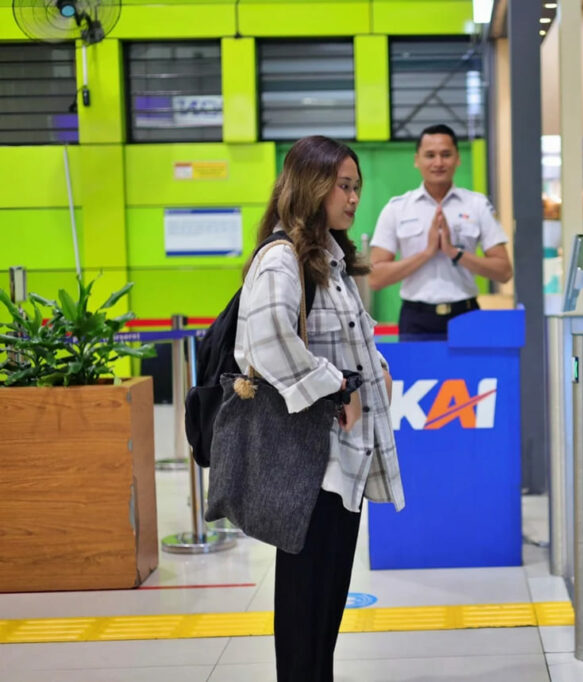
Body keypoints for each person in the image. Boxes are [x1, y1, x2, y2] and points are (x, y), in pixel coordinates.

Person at [235, 135, 403, 682]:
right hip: (309, 463)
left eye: (357, 187)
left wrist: (372, 365)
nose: (353, 198)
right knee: (306, 607)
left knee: (326, 605)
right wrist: (337, 385)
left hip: (341, 463)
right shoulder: (282, 259)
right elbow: (266, 340)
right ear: (312, 186)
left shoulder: (330, 257)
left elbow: (349, 336)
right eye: (343, 186)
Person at [368, 124, 513, 336]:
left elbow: (504, 271)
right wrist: (426, 253)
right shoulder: (397, 208)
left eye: (446, 154)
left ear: (457, 158)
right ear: (417, 160)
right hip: (415, 318)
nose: (438, 162)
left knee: (467, 371)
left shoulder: (477, 205)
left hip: (466, 315)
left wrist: (455, 253)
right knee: (415, 371)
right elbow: (375, 278)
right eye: (430, 155)